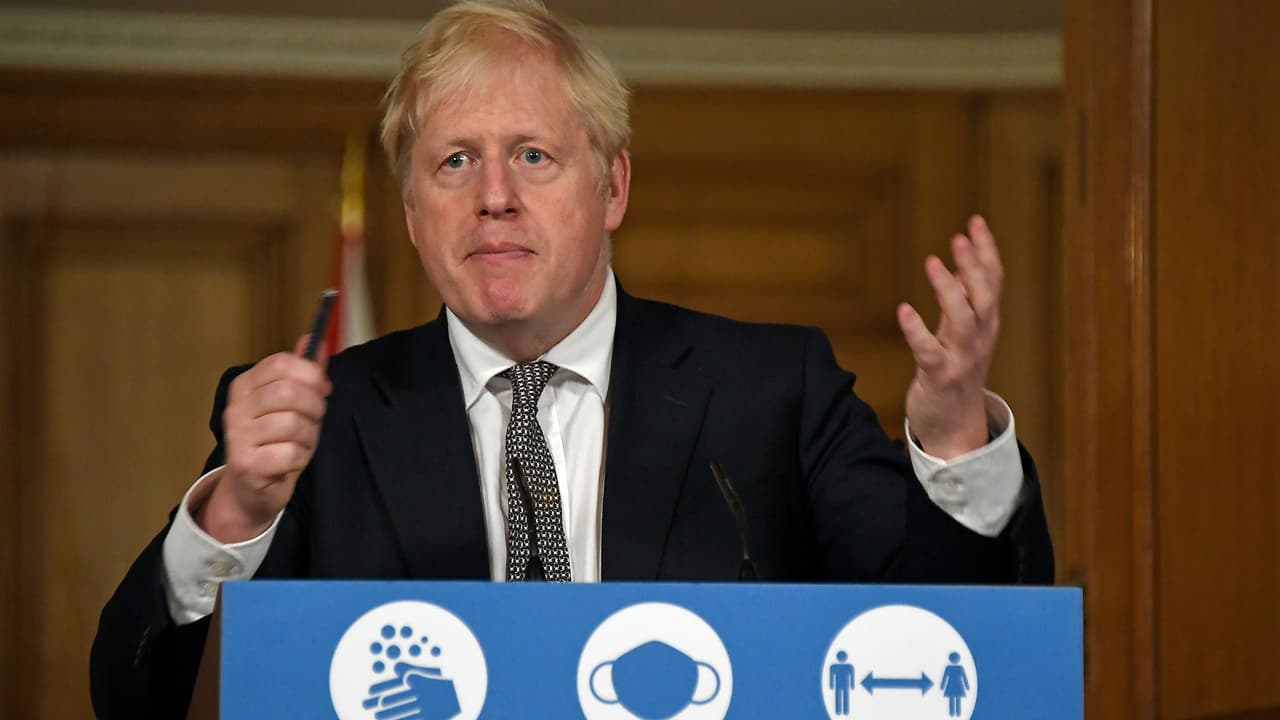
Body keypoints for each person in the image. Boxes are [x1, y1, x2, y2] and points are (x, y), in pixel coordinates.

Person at [90, 0, 1053, 716]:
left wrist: (955, 438)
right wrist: (233, 516)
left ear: (613, 186)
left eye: (533, 156)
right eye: (455, 161)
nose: (494, 196)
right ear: (414, 215)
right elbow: (133, 697)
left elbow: (957, 651)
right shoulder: (320, 423)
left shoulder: (773, 391)